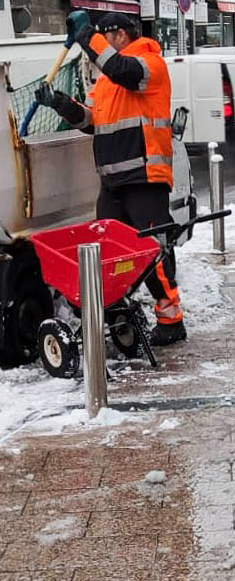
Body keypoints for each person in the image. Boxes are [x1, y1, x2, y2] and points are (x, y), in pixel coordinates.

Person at [35, 11, 187, 347]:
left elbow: (122, 71)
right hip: (112, 181)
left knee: (153, 250)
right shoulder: (105, 83)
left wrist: (87, 35)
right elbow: (90, 120)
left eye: (105, 37)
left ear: (118, 35)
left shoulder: (149, 65)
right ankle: (118, 312)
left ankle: (171, 318)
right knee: (109, 255)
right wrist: (61, 104)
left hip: (144, 176)